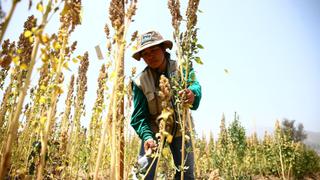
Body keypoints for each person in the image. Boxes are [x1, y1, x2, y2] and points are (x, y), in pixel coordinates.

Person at [131, 30, 201, 180]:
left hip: (181, 129)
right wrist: (148, 137)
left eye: (154, 50)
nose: (150, 56)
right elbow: (139, 117)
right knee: (144, 173)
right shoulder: (139, 82)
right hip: (154, 130)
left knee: (186, 175)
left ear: (164, 48)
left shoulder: (182, 68)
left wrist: (192, 94)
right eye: (145, 53)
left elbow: (195, 86)